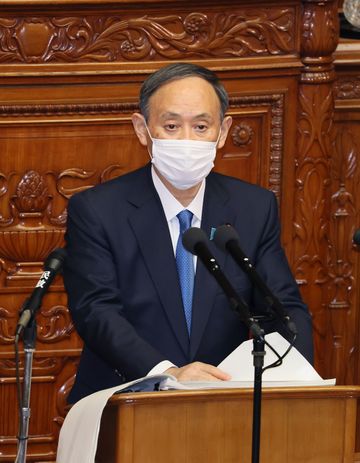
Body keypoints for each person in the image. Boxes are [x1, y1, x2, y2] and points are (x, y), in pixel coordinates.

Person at [64, 63, 313, 404]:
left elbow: (281, 307)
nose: (186, 139)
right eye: (170, 125)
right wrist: (168, 373)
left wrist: (293, 384)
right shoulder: (97, 210)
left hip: (224, 402)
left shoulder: (254, 207)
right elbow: (96, 311)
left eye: (200, 126)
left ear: (222, 132)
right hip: (124, 399)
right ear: (142, 129)